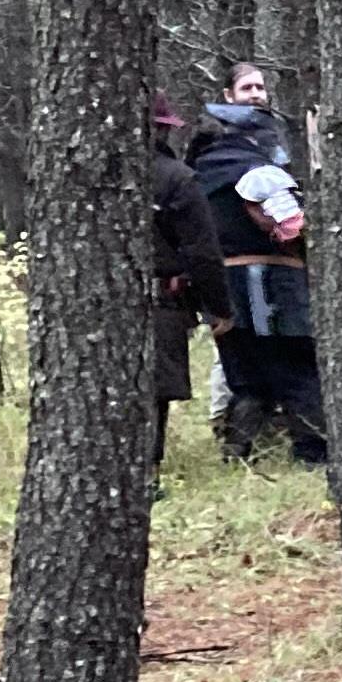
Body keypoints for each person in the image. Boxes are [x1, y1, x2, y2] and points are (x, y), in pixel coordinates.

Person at [186, 60, 325, 465]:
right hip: (268, 284)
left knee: (248, 378)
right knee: (296, 369)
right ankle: (313, 453)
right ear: (229, 99)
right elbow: (290, 227)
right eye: (248, 88)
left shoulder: (204, 165)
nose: (257, 94)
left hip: (227, 284)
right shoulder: (253, 167)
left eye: (261, 87)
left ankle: (239, 454)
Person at [145, 93, 227, 468]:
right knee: (152, 392)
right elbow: (202, 250)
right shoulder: (177, 178)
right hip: (160, 302)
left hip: (96, 307)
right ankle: (145, 471)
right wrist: (219, 307)